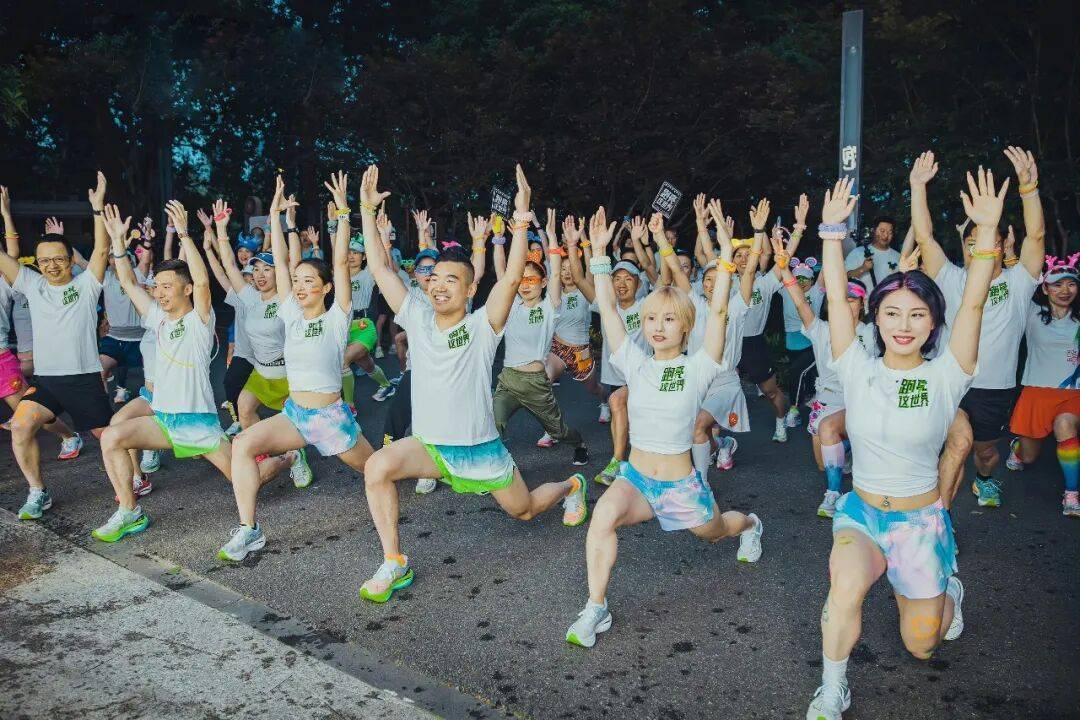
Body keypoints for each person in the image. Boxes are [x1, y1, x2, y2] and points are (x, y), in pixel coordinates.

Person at [804, 170, 1006, 720]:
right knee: (844, 586)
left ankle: (948, 593)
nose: (903, 324)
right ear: (876, 316)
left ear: (933, 323)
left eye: (918, 314)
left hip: (920, 525)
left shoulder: (947, 374)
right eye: (892, 312)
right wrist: (830, 232)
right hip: (864, 515)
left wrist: (987, 235)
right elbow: (836, 300)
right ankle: (832, 688)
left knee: (923, 645)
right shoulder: (856, 366)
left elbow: (973, 306)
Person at [358, 163, 587, 603]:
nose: (439, 286)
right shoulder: (417, 318)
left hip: (480, 450)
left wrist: (522, 216)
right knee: (377, 467)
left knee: (524, 510)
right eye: (434, 279)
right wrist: (366, 212)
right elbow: (380, 270)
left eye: (452, 280)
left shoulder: (484, 326)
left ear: (468, 291)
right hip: (431, 446)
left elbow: (512, 277)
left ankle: (571, 487)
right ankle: (394, 561)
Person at [564, 205, 763, 648]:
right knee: (602, 518)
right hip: (636, 479)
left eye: (669, 319)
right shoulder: (635, 363)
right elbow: (609, 314)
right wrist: (599, 257)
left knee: (715, 533)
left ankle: (751, 525)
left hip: (680, 486)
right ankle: (596, 607)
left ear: (687, 326)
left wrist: (725, 259)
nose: (657, 326)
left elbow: (719, 314)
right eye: (652, 318)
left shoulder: (700, 366)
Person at [90, 202, 293, 542]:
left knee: (250, 477)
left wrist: (185, 234)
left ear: (184, 289)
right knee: (112, 437)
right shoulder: (157, 318)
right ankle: (129, 511)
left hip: (198, 423)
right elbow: (128, 281)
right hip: (164, 419)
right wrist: (119, 244)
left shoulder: (200, 321)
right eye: (157, 286)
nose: (159, 293)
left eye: (167, 286)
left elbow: (201, 281)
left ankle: (286, 458)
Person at [223, 173, 375, 561]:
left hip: (330, 418)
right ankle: (249, 529)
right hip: (295, 415)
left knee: (377, 469)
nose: (302, 286)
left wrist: (343, 214)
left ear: (326, 288)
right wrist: (276, 215)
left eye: (310, 281)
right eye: (297, 281)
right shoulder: (290, 313)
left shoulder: (337, 317)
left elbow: (339, 262)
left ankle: (420, 467)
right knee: (242, 444)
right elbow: (283, 260)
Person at [910, 147, 1045, 508]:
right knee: (958, 443)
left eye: (987, 242)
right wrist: (918, 188)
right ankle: (935, 519)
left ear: (999, 247)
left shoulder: (1019, 282)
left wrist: (1028, 189)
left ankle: (984, 479)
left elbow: (1035, 238)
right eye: (970, 244)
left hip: (995, 388)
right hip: (950, 381)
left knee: (984, 454)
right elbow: (925, 239)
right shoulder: (950, 277)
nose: (977, 249)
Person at [5, 173, 114, 520]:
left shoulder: (86, 285)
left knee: (109, 438)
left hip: (83, 378)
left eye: (58, 259)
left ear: (69, 259)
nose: (51, 265)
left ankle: (136, 477)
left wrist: (97, 209)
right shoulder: (32, 284)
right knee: (21, 425)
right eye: (44, 260)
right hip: (48, 380)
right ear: (36, 264)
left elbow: (101, 250)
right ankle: (38, 491)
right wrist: (5, 214)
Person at [774, 233, 875, 517]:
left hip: (859, 400)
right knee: (824, 462)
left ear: (862, 304)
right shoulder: (820, 330)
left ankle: (833, 495)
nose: (846, 303)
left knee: (828, 431)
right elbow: (801, 303)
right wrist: (784, 270)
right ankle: (848, 449)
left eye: (853, 299)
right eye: (841, 298)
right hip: (827, 399)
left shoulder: (873, 333)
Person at [492, 208, 589, 467]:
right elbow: (502, 273)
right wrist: (499, 240)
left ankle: (579, 444)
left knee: (558, 431)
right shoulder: (512, 305)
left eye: (531, 279)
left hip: (536, 383)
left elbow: (556, 273)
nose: (525, 284)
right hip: (508, 380)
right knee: (493, 423)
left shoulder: (550, 307)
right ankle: (495, 467)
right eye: (521, 280)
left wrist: (552, 238)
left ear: (543, 282)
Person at [1004, 253, 1080, 516]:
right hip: (1036, 393)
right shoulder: (1032, 314)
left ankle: (1072, 494)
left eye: (1071, 284)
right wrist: (1011, 259)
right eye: (1057, 284)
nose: (1065, 290)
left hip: (1072, 394)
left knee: (1066, 427)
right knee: (1029, 456)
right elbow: (1017, 288)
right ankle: (1017, 448)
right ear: (1045, 288)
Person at [733, 196, 799, 443]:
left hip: (754, 344)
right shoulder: (723, 284)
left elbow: (784, 259)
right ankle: (716, 442)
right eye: (738, 255)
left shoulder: (765, 283)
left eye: (748, 254)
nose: (743, 259)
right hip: (728, 341)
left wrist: (798, 229)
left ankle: (781, 421)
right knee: (715, 392)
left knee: (771, 392)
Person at [540, 214, 602, 435]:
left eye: (570, 268)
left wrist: (583, 239)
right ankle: (551, 428)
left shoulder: (585, 291)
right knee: (545, 381)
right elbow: (551, 263)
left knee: (593, 388)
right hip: (558, 347)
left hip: (580, 350)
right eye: (563, 269)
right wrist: (548, 234)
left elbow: (588, 266)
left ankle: (606, 401)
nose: (566, 272)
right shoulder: (554, 293)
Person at [782, 255, 824, 426]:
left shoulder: (816, 291)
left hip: (812, 341)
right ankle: (815, 402)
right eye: (798, 278)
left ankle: (793, 409)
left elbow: (826, 270)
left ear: (812, 280)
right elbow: (781, 270)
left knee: (796, 373)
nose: (802, 282)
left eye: (805, 279)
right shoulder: (786, 290)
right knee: (809, 376)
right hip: (792, 342)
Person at [844, 215, 900, 293]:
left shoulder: (898, 257)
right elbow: (844, 277)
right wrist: (863, 268)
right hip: (864, 300)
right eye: (882, 231)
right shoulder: (857, 253)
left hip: (888, 300)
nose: (886, 235)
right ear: (874, 231)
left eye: (890, 232)